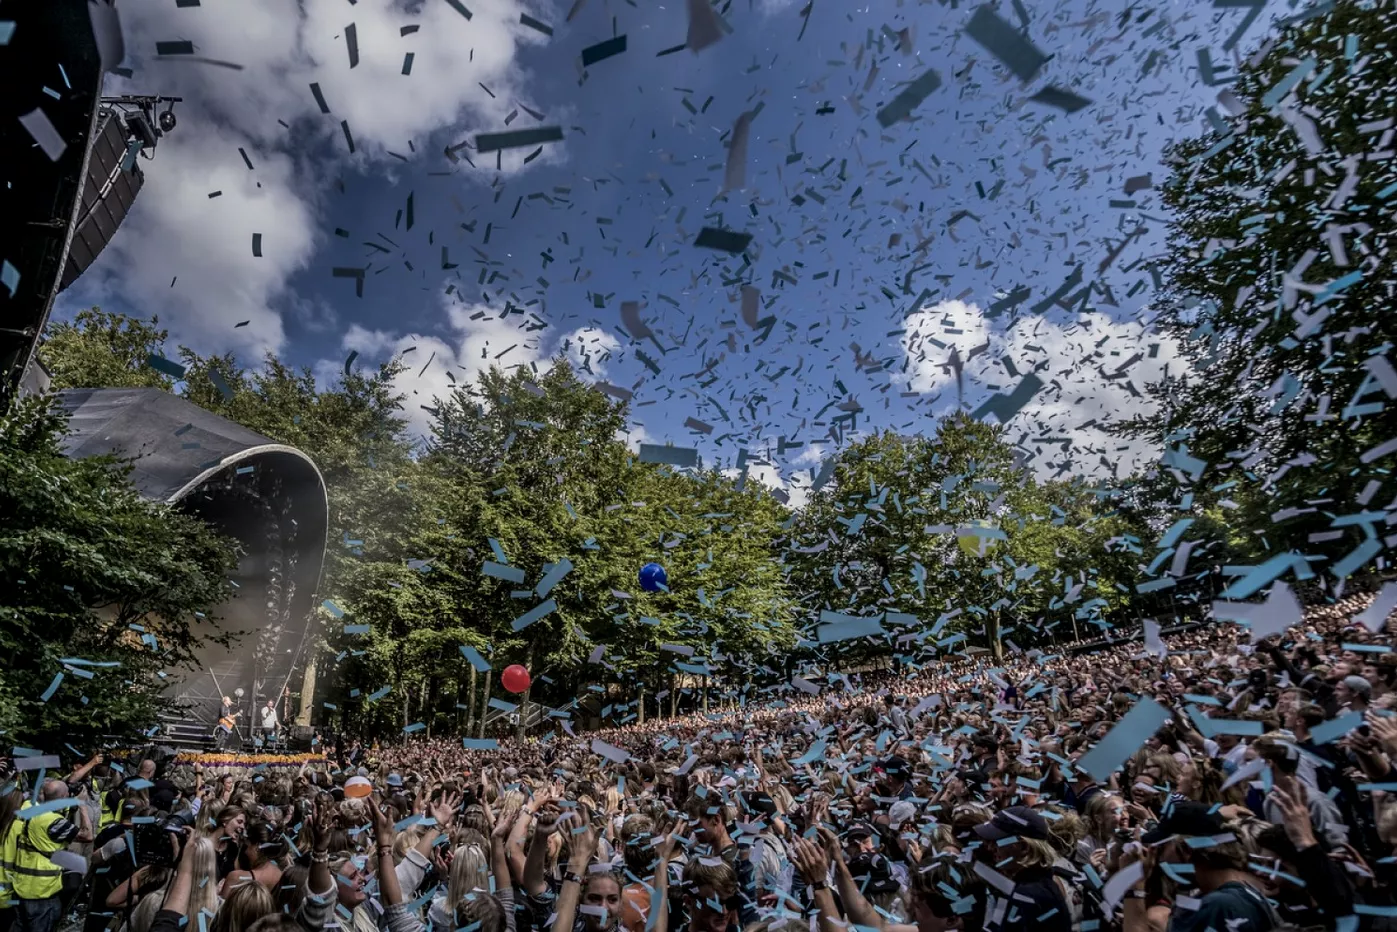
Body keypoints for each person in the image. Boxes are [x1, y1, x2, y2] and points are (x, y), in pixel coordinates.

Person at [3, 779, 89, 932]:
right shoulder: (52, 820)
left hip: (22, 888)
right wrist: (82, 805)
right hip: (42, 892)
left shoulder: (31, 812)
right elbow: (87, 835)